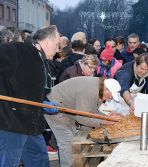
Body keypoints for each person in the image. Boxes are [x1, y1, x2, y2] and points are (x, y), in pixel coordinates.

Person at [0, 25, 60, 166]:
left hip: (32, 124)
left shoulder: (42, 61)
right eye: (57, 45)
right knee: (8, 163)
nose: (58, 50)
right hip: (12, 122)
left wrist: (44, 102)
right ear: (46, 41)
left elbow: (29, 89)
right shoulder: (18, 50)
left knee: (40, 160)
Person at [44, 77, 123, 167]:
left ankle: (77, 162)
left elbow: (91, 111)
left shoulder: (98, 88)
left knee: (73, 137)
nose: (109, 100)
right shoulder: (90, 91)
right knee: (67, 140)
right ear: (106, 89)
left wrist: (107, 118)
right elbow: (82, 119)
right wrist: (105, 121)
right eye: (110, 97)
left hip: (66, 107)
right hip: (54, 107)